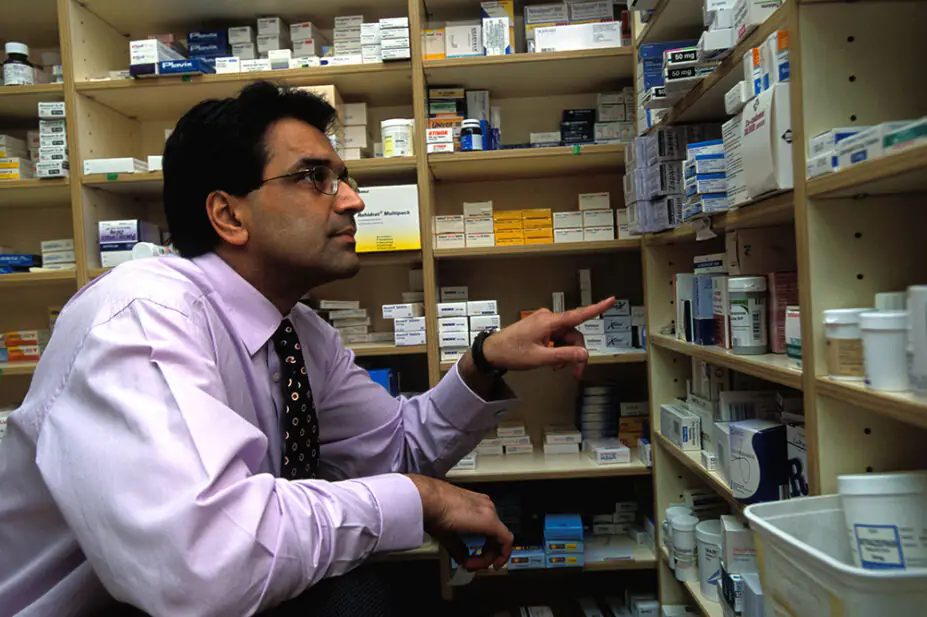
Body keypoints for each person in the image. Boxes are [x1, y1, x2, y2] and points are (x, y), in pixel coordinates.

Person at [0, 81, 613, 616]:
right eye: (315, 178)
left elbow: (396, 452)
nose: (353, 200)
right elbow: (203, 562)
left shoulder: (300, 334)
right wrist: (417, 501)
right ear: (228, 215)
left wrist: (485, 361)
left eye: (342, 178)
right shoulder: (145, 316)